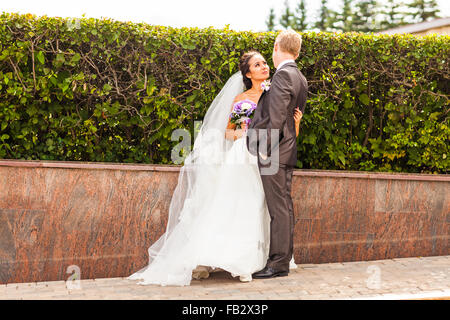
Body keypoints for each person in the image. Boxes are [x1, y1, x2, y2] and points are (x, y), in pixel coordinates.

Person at [127, 49, 303, 286]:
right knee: (244, 204)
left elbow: (285, 131)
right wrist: (251, 135)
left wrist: (296, 124)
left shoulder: (275, 92)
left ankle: (260, 258)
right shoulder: (243, 99)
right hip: (245, 156)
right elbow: (230, 133)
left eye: (264, 63)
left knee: (262, 206)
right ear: (248, 73)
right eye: (257, 64)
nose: (264, 67)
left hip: (269, 158)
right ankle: (236, 260)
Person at [247, 30, 308, 279]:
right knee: (284, 206)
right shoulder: (300, 77)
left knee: (278, 208)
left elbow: (275, 118)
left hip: (274, 152)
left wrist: (264, 150)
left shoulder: (283, 76)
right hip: (287, 149)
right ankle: (283, 259)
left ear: (276, 46)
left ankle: (278, 263)